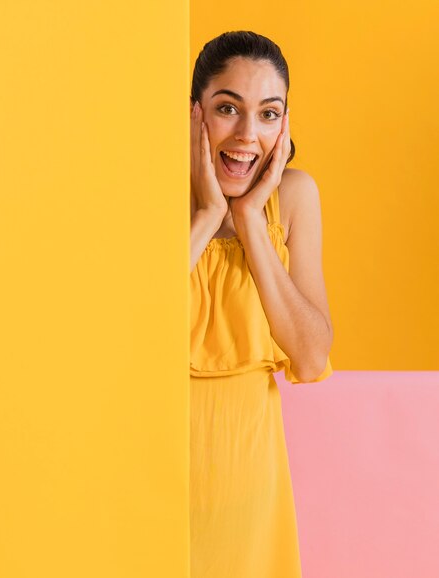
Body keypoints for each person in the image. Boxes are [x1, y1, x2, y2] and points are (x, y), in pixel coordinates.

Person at [189, 31, 334, 577]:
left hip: (245, 480)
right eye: (228, 108)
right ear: (195, 113)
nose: (248, 135)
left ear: (284, 125)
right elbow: (124, 336)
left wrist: (250, 220)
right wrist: (206, 217)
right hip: (142, 463)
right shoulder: (151, 195)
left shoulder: (294, 198)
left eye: (269, 115)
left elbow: (311, 357)